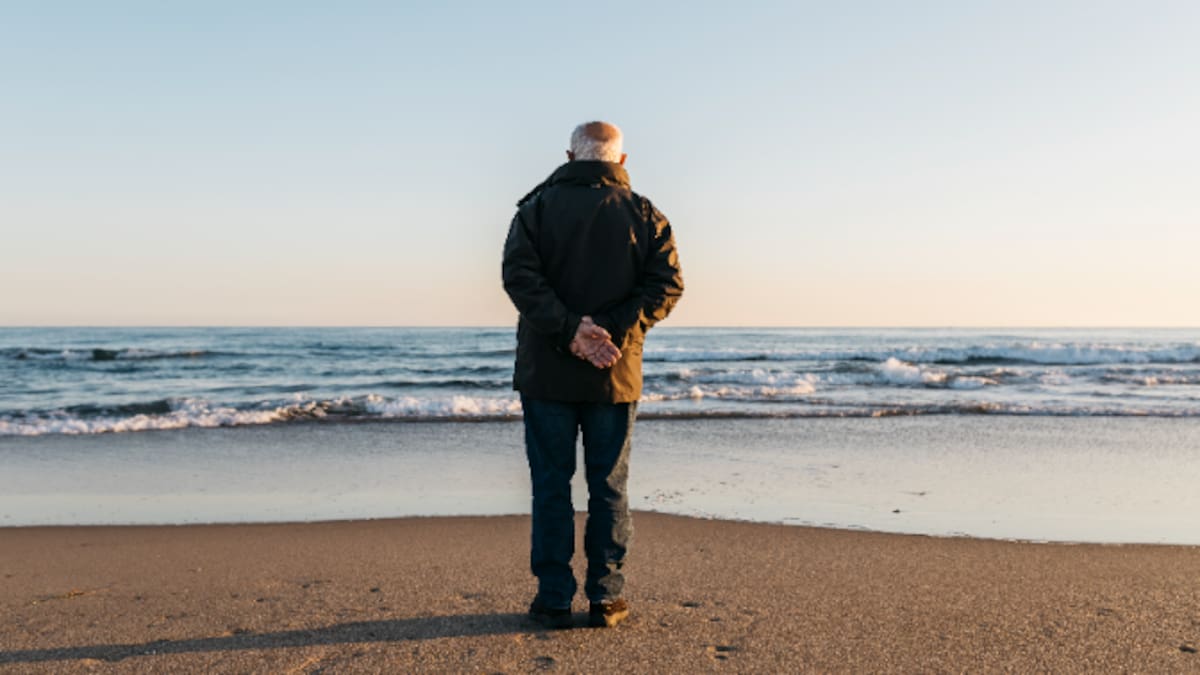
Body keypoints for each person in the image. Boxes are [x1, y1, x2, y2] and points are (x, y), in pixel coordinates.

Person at [502, 121, 684, 629]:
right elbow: (667, 286)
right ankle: (606, 597)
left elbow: (519, 278)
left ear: (569, 155)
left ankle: (556, 598)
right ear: (621, 161)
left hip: (547, 374)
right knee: (608, 487)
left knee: (551, 486)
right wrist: (610, 330)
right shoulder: (645, 213)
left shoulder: (535, 209)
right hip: (614, 375)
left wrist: (573, 331)